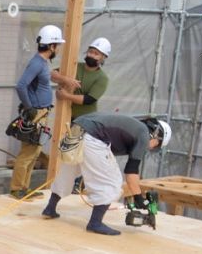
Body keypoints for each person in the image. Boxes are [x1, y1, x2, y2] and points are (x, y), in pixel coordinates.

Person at [40, 114, 171, 236]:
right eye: (156, 146)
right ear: (156, 136)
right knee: (113, 182)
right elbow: (131, 171)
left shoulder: (135, 126)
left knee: (69, 171)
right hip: (93, 137)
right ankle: (95, 223)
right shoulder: (144, 135)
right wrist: (138, 197)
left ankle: (50, 209)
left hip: (77, 129)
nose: (151, 148)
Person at [9, 25, 77, 198]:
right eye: (57, 45)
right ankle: (17, 188)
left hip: (41, 112)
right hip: (36, 113)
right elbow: (21, 85)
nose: (58, 49)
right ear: (51, 46)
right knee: (28, 152)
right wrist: (30, 107)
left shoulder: (41, 63)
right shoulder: (37, 63)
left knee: (35, 151)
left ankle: (24, 187)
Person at [59, 37, 111, 119]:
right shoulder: (75, 66)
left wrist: (66, 96)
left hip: (85, 120)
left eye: (96, 54)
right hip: (65, 117)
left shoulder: (102, 78)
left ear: (103, 58)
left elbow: (89, 100)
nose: (92, 55)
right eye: (90, 52)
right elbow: (53, 74)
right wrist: (65, 79)